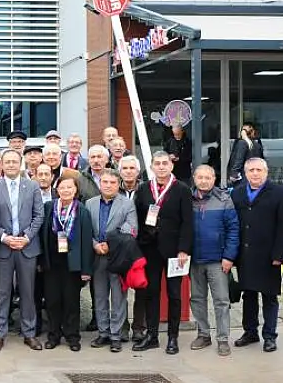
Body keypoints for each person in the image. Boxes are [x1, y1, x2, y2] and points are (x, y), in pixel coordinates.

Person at [132, 151, 193, 355]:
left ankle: (173, 337)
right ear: (151, 166)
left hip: (175, 251)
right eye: (157, 163)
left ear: (171, 166)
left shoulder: (182, 189)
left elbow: (187, 222)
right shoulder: (143, 189)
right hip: (149, 249)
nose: (161, 167)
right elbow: (138, 219)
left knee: (174, 295)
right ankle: (152, 336)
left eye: (164, 163)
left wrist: (184, 249)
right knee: (151, 293)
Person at [230, 157, 283, 352]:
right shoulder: (237, 193)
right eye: (251, 170)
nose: (255, 174)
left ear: (266, 172)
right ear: (246, 173)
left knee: (269, 296)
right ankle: (250, 331)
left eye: (259, 170)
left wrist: (279, 254)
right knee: (248, 294)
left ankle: (270, 335)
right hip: (245, 254)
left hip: (268, 255)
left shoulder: (279, 193)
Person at [0, 148, 44, 352]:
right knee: (2, 293)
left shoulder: (33, 186)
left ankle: (29, 333)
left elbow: (39, 215)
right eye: (7, 161)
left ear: (20, 163)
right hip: (3, 247)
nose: (11, 164)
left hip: (27, 247)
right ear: (1, 165)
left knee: (28, 293)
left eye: (14, 161)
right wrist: (4, 237)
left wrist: (26, 237)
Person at [187, 165, 238, 357]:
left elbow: (233, 230)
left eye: (208, 177)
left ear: (214, 179)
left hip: (218, 260)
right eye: (200, 177)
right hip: (195, 259)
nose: (204, 181)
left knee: (221, 301)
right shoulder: (187, 199)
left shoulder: (224, 199)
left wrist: (229, 256)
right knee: (197, 299)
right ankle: (203, 334)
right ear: (194, 178)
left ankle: (223, 339)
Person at [39, 176, 93, 351]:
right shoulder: (49, 207)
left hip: (72, 264)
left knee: (71, 302)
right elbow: (42, 236)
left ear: (75, 190)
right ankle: (53, 335)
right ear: (57, 189)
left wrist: (86, 269)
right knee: (52, 301)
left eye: (70, 187)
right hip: (52, 263)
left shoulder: (82, 210)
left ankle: (72, 336)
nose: (66, 190)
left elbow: (86, 241)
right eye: (62, 187)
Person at [86, 168, 136, 353]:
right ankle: (103, 333)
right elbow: (86, 229)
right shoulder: (90, 203)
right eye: (105, 182)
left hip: (118, 258)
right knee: (99, 297)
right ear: (100, 183)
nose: (108, 185)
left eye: (112, 182)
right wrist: (94, 244)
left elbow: (131, 228)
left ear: (119, 184)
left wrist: (109, 243)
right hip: (97, 256)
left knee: (118, 298)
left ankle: (116, 336)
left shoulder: (127, 204)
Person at [226, 123, 264, 188]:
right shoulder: (257, 145)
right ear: (253, 132)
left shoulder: (242, 143)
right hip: (253, 178)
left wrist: (233, 175)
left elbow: (239, 160)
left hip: (242, 179)